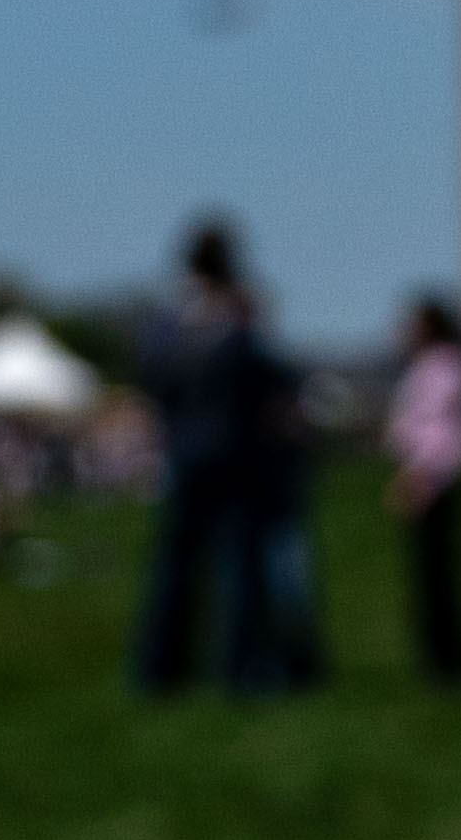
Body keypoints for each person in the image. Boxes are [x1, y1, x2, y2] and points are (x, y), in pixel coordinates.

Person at [129, 217, 320, 698]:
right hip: (235, 454)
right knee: (239, 567)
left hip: (187, 452)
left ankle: (160, 669)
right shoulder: (236, 317)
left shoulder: (170, 319)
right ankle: (238, 667)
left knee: (176, 566)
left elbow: (153, 381)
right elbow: (271, 377)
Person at [385, 293, 461, 686]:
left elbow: (436, 429)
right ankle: (445, 660)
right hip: (433, 476)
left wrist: (416, 476)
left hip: (435, 478)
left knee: (437, 576)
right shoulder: (440, 364)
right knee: (434, 576)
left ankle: (447, 662)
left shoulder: (442, 365)